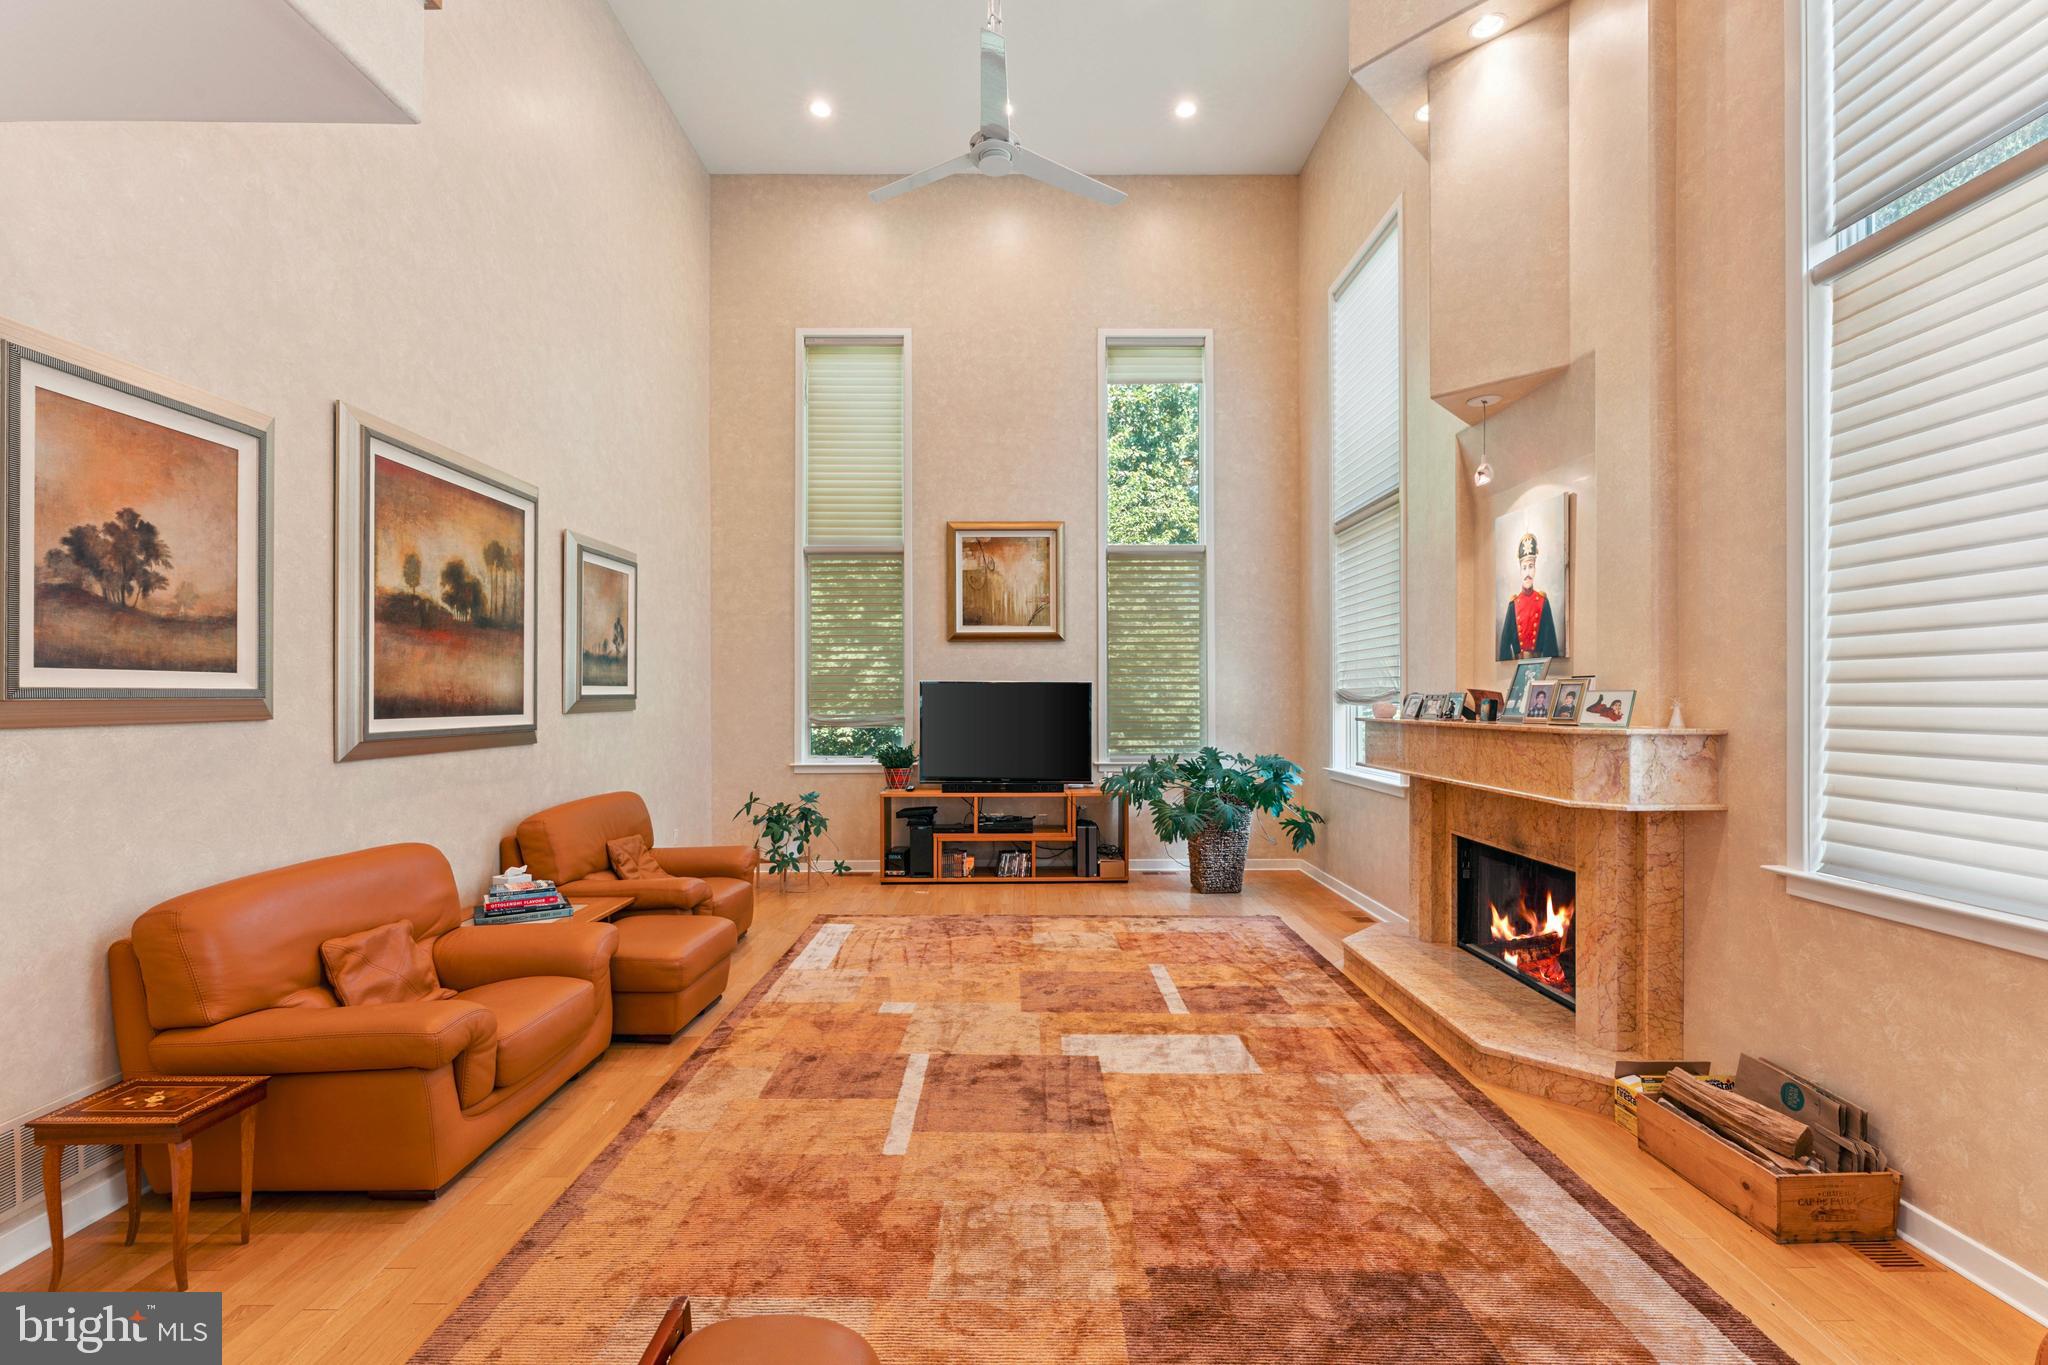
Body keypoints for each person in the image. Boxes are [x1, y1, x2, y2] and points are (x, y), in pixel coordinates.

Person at [1498, 531, 1562, 660]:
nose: (1528, 572)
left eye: (1531, 566)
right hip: (1517, 664)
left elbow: (1550, 644)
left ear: (1535, 569)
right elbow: (1504, 645)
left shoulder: (1543, 602)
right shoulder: (1513, 604)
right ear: (1520, 571)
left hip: (1540, 663)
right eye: (1524, 567)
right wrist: (1506, 666)